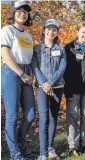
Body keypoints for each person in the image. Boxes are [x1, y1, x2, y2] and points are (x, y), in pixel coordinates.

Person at [1, 1, 35, 159]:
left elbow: (30, 58)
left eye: (26, 11)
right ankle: (15, 154)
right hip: (12, 73)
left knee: (30, 115)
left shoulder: (28, 36)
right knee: (12, 116)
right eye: (19, 10)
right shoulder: (7, 30)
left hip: (27, 74)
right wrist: (21, 74)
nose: (23, 13)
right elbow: (5, 56)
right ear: (13, 13)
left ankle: (21, 146)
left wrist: (29, 75)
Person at [31, 19, 66, 160]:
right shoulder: (37, 49)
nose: (51, 32)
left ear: (57, 32)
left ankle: (50, 148)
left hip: (57, 87)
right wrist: (44, 84)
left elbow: (62, 68)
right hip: (41, 88)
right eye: (49, 29)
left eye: (54, 29)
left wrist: (50, 83)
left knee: (53, 118)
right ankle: (43, 152)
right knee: (44, 119)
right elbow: (35, 67)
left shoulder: (61, 49)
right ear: (44, 30)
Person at [64, 22, 85, 156]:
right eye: (83, 32)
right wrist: (67, 90)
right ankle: (73, 145)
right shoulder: (69, 48)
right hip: (73, 89)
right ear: (77, 32)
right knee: (72, 117)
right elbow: (65, 71)